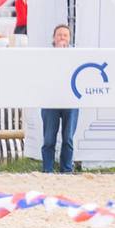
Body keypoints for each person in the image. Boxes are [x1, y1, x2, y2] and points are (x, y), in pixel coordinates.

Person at [40, 24, 78, 174]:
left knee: (68, 138)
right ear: (54, 38)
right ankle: (47, 170)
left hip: (71, 101)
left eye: (65, 35)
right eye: (59, 35)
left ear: (69, 39)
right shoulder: (45, 56)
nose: (62, 37)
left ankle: (66, 170)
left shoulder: (75, 56)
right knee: (49, 138)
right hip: (50, 101)